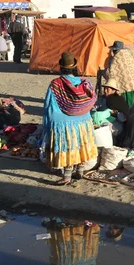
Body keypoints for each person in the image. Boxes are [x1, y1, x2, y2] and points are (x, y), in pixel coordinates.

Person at [43, 52, 98, 186]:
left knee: (68, 145)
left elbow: (50, 105)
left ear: (61, 67)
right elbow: (92, 100)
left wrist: (49, 123)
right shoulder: (84, 83)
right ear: (74, 66)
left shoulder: (56, 84)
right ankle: (79, 170)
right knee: (80, 144)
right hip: (83, 120)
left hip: (64, 122)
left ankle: (67, 176)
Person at [103, 41, 134, 107]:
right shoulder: (129, 57)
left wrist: (103, 72)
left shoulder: (116, 58)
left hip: (125, 88)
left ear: (114, 50)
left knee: (127, 106)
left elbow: (110, 74)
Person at [100, 78, 134, 148]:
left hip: (121, 126)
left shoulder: (116, 100)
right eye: (105, 89)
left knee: (104, 129)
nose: (105, 91)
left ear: (113, 90)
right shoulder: (106, 98)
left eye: (108, 89)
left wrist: (114, 114)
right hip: (115, 122)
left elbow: (123, 117)